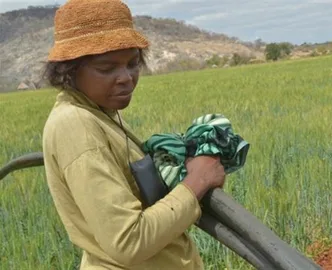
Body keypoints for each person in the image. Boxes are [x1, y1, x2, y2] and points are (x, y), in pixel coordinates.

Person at [41, 0, 225, 269]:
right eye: (107, 68)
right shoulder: (76, 125)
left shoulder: (102, 112)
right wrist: (197, 181)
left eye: (133, 63)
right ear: (68, 70)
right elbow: (128, 241)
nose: (126, 77)